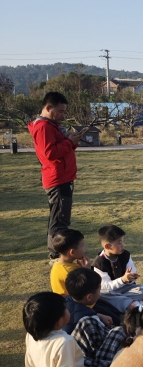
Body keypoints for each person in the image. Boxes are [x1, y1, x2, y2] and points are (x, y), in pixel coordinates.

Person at [28, 92, 86, 258]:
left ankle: (56, 251)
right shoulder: (44, 127)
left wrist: (71, 141)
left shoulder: (51, 126)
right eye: (60, 111)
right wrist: (69, 142)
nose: (62, 115)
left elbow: (59, 149)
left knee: (59, 218)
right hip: (57, 179)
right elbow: (49, 153)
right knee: (60, 220)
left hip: (62, 177)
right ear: (48, 107)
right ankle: (56, 253)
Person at [92, 224, 143, 312]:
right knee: (101, 295)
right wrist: (122, 280)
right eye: (119, 242)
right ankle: (130, 305)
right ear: (108, 246)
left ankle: (122, 303)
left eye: (123, 241)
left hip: (124, 289)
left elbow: (132, 275)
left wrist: (131, 278)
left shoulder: (125, 255)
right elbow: (105, 286)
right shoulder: (99, 263)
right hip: (109, 292)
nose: (123, 245)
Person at [64, 268, 115, 334]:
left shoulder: (63, 301)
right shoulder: (90, 319)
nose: (100, 293)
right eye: (99, 290)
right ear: (89, 297)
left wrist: (99, 315)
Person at [50, 229, 90, 294]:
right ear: (72, 252)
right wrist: (87, 271)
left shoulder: (61, 263)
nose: (85, 248)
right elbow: (85, 291)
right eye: (82, 245)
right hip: (73, 303)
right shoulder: (68, 272)